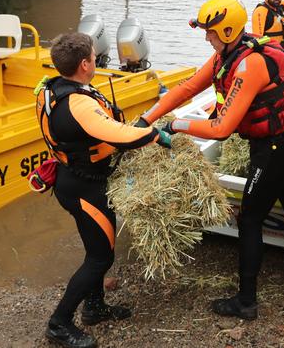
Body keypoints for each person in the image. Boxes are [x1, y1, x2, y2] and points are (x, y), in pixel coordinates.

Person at [137, 0, 284, 320]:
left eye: (210, 32)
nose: (206, 37)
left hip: (273, 149)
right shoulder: (228, 55)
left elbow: (221, 127)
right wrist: (148, 117)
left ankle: (246, 301)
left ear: (227, 33)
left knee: (251, 219)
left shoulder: (249, 64)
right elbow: (187, 89)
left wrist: (174, 124)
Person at [36, 32, 172, 348]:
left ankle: (94, 308)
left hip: (82, 180)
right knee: (100, 257)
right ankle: (59, 323)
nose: (97, 61)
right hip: (83, 187)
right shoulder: (76, 105)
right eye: (94, 58)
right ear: (85, 64)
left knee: (97, 249)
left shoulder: (58, 87)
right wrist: (154, 135)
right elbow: (117, 135)